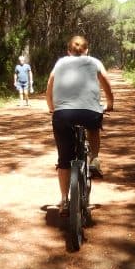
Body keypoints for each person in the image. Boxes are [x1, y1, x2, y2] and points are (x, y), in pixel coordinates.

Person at [46, 35, 114, 211]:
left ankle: (63, 200)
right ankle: (94, 160)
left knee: (64, 159)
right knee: (93, 127)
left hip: (62, 115)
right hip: (89, 113)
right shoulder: (94, 62)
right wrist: (110, 104)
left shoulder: (60, 63)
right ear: (87, 50)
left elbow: (49, 89)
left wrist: (52, 109)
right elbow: (106, 84)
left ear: (68, 51)